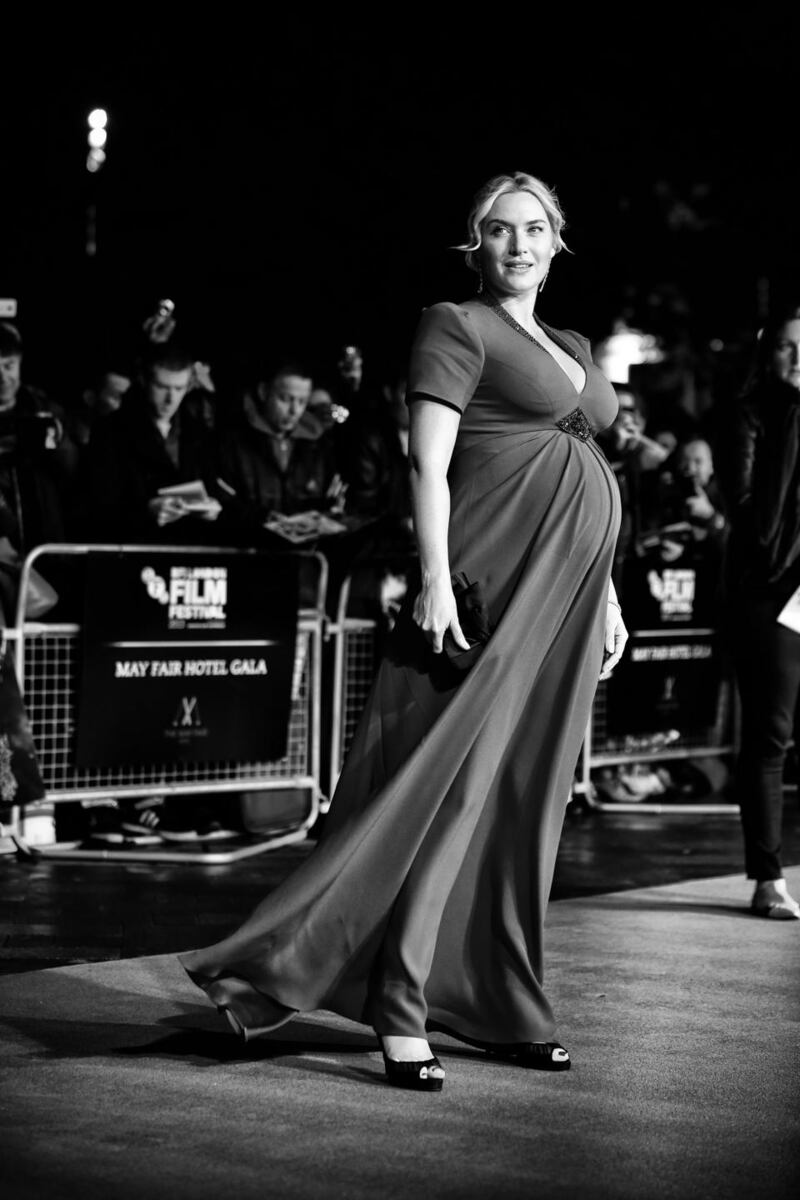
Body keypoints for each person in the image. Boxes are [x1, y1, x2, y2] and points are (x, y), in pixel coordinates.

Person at [178, 171, 627, 1091]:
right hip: (489, 583)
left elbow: (585, 464)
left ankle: (502, 1002)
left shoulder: (573, 342)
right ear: (477, 241)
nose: (518, 245)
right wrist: (432, 581)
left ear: (557, 240)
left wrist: (609, 592)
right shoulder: (456, 326)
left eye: (534, 228)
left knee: (525, 801)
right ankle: (399, 1006)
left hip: (571, 596)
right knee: (448, 796)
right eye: (499, 231)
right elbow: (429, 468)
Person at [719, 302, 800, 920]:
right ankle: (767, 877)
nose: (798, 358)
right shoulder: (748, 417)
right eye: (786, 345)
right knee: (769, 737)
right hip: (770, 595)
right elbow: (760, 527)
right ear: (766, 350)